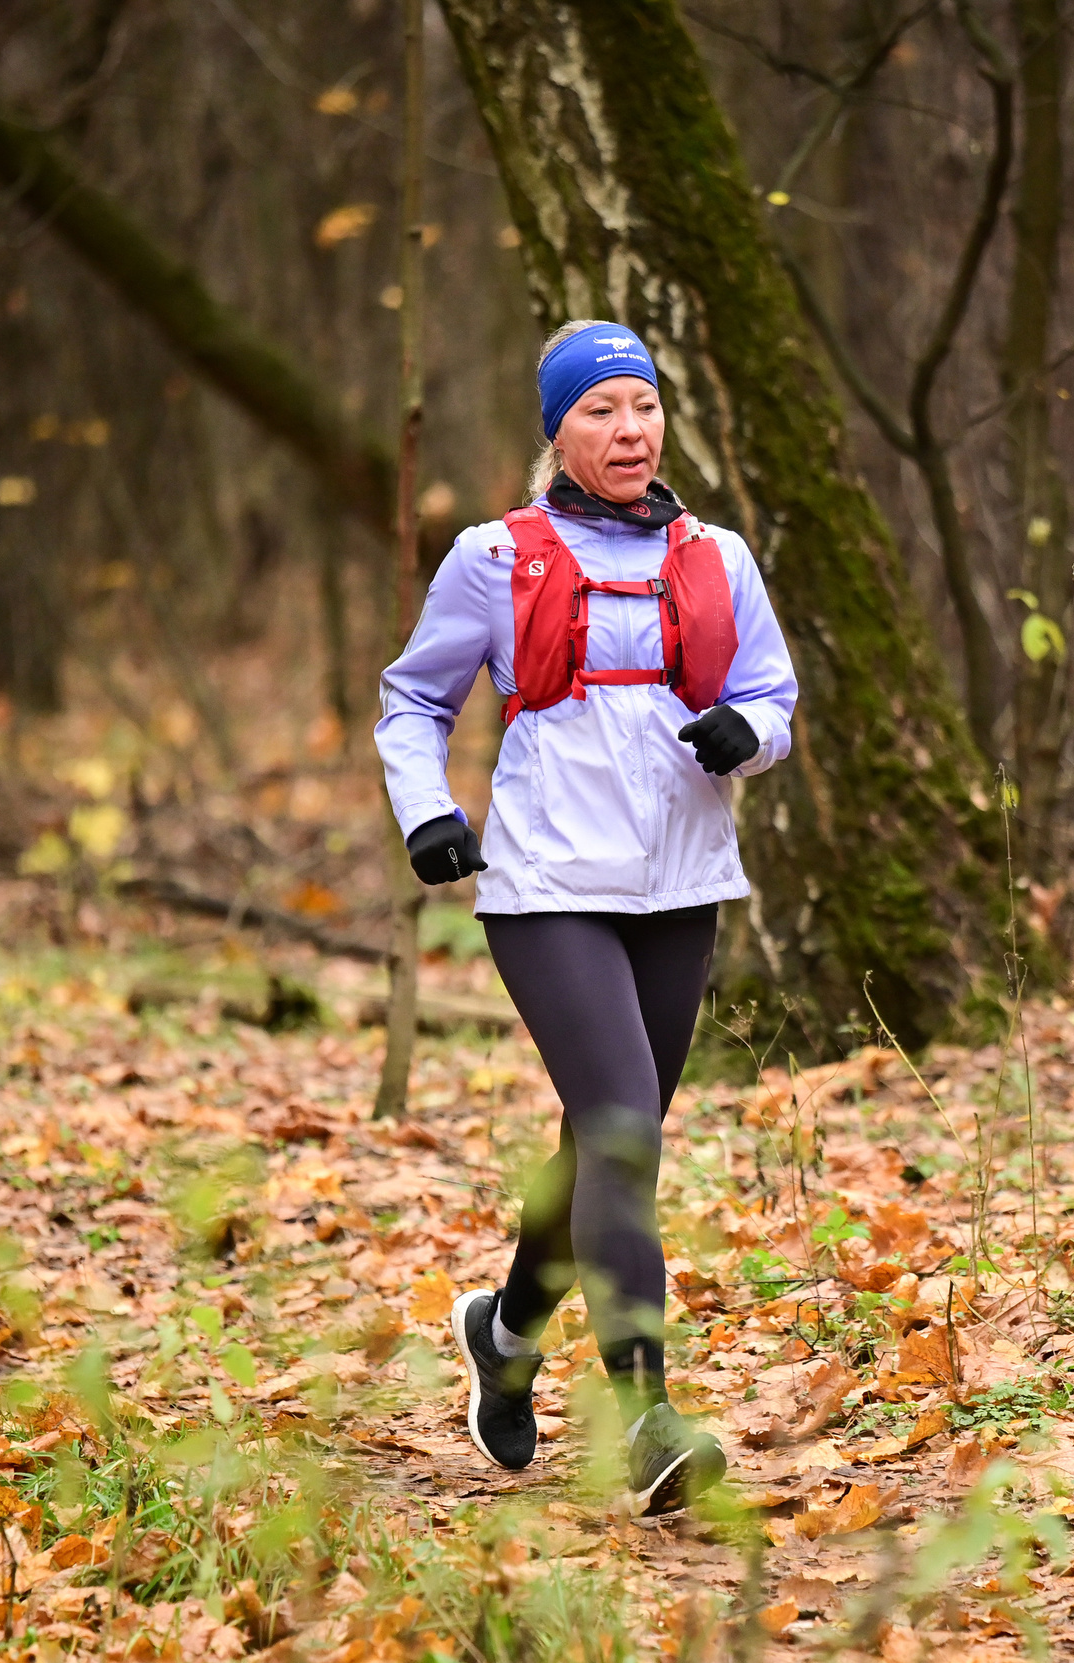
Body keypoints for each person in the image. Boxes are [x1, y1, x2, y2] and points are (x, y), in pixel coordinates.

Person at [374, 320, 797, 1515]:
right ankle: (646, 1412)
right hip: (547, 885)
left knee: (600, 1147)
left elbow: (772, 694)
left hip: (681, 884)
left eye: (644, 406)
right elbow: (411, 702)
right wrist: (427, 813)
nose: (630, 430)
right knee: (620, 1134)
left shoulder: (716, 554)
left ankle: (503, 1336)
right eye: (601, 409)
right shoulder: (495, 557)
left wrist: (747, 734)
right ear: (557, 429)